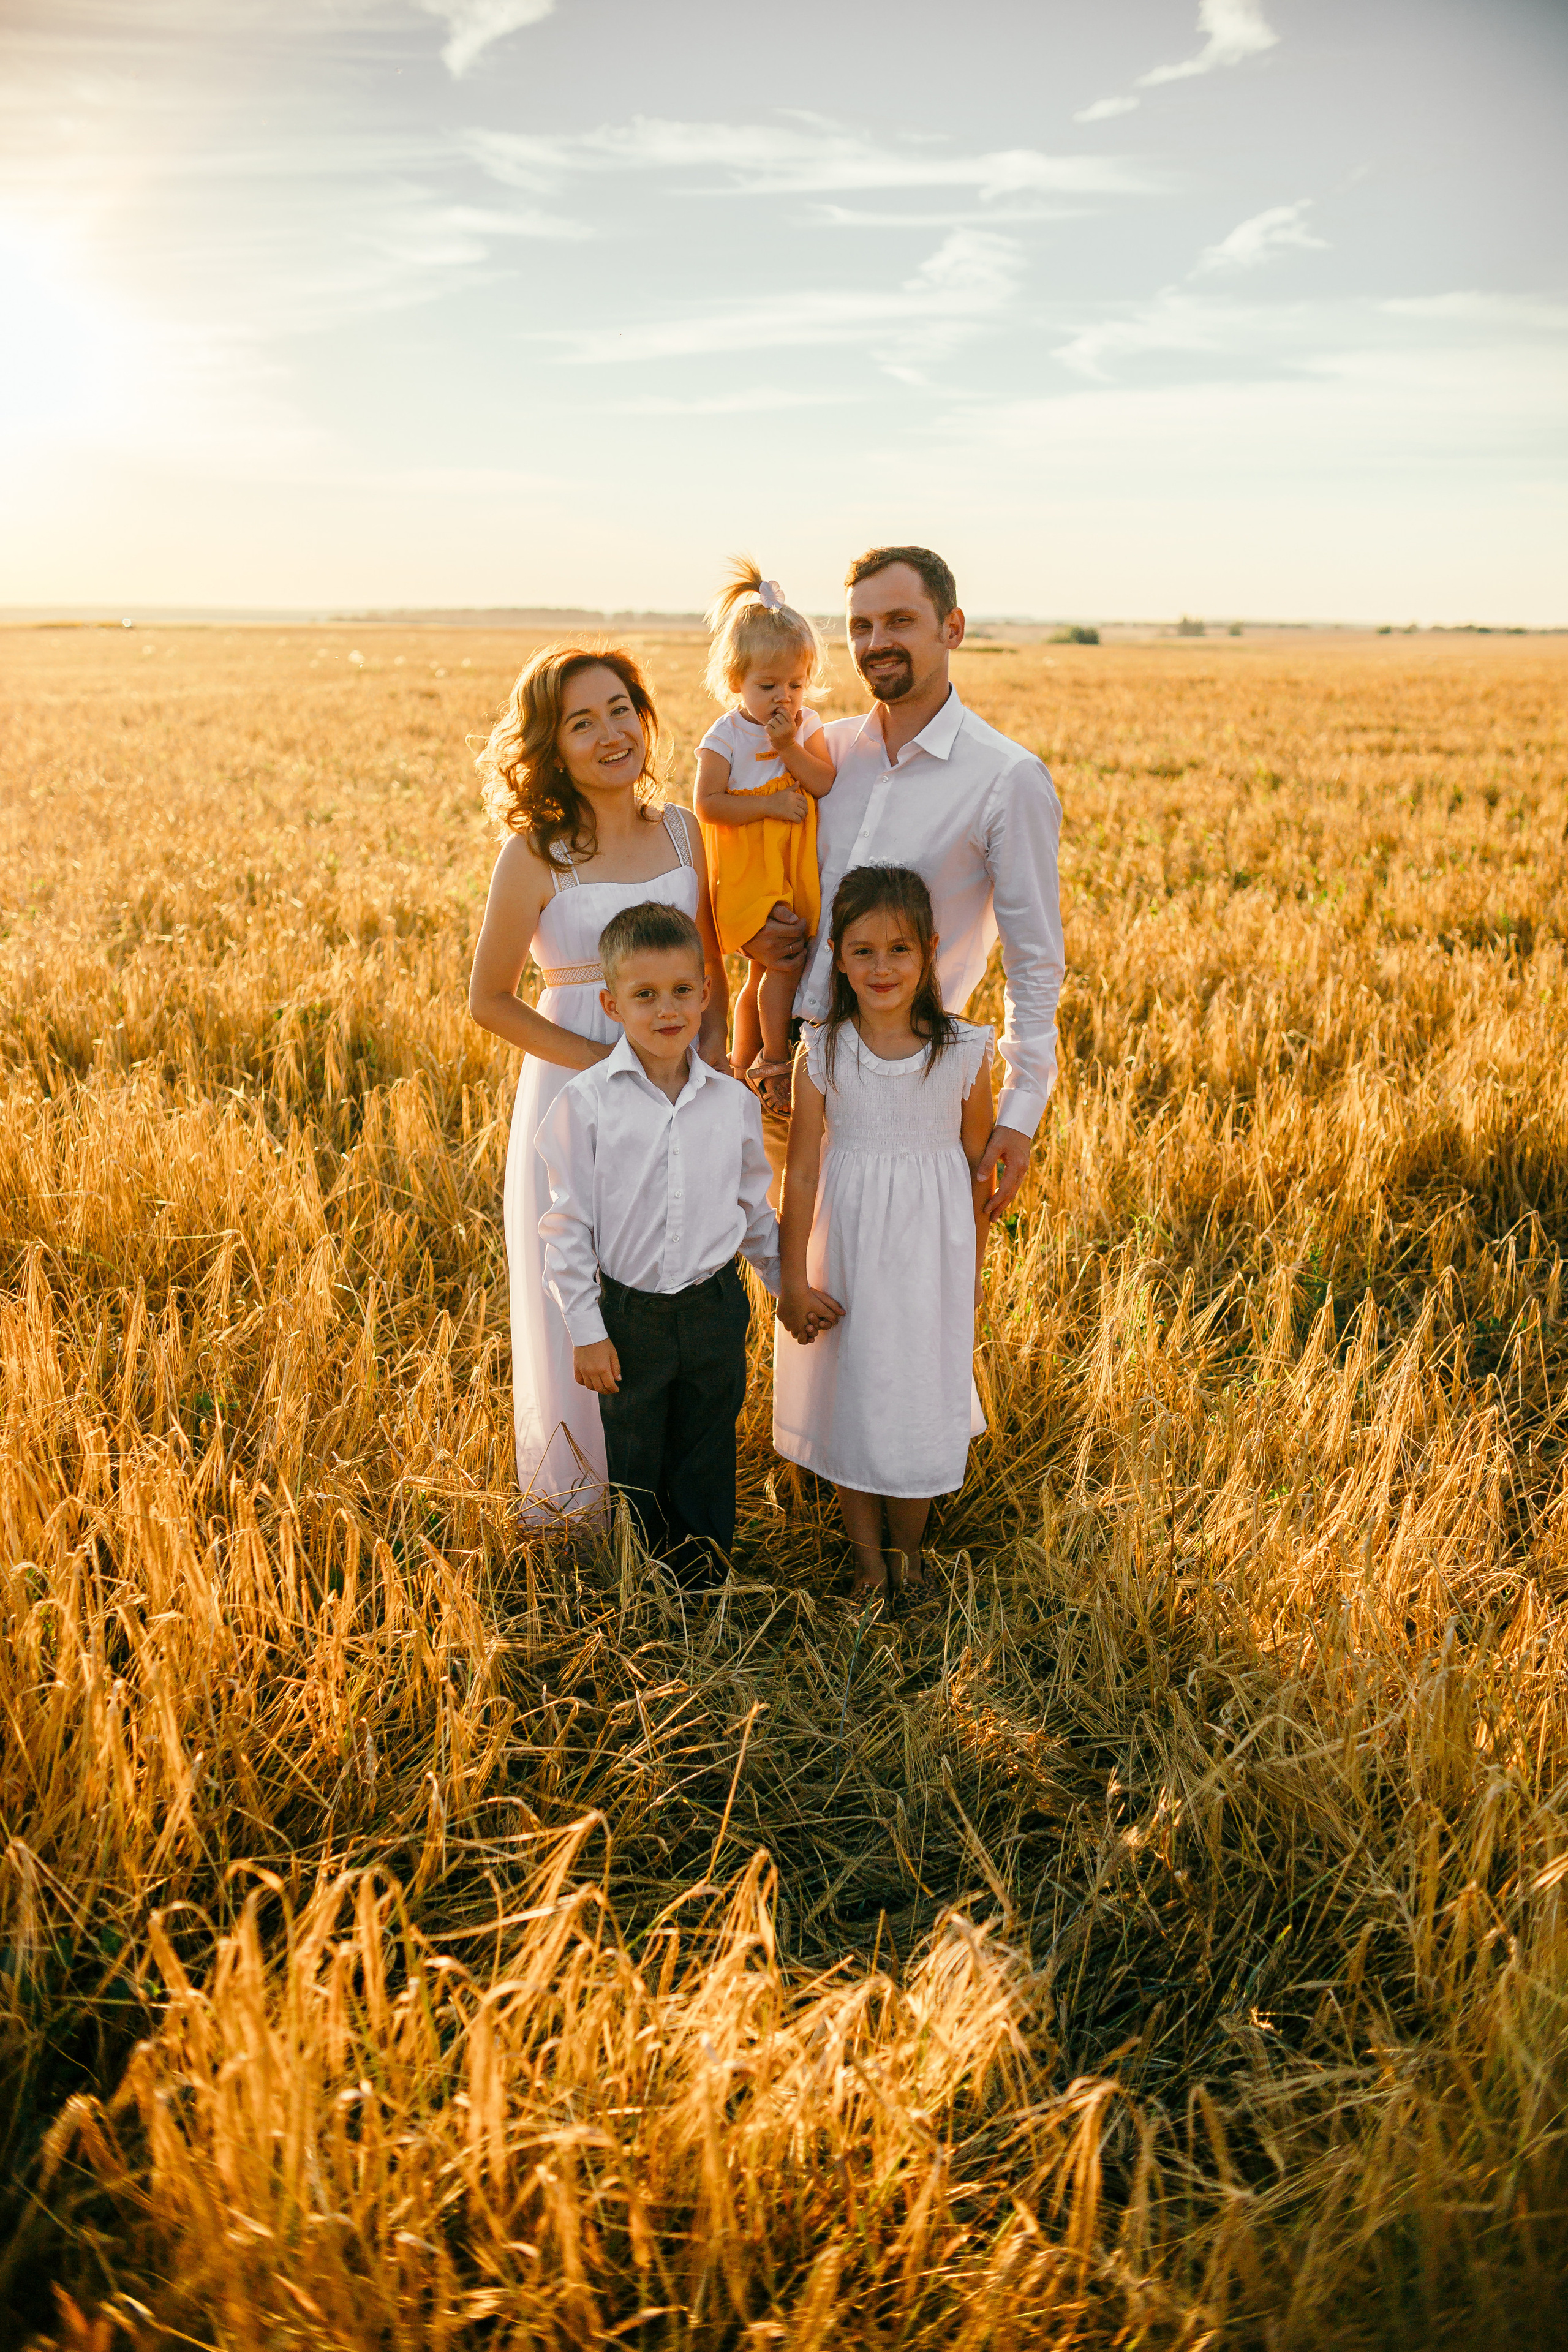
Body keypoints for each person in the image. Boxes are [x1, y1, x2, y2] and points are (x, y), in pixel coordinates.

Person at [468, 646, 728, 1519]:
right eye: (582, 721)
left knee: (673, 1277)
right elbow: (489, 1000)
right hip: (578, 1092)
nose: (610, 733)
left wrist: (709, 1066)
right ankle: (584, 1506)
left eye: (620, 709)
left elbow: (712, 967)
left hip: (680, 1082)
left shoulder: (684, 830)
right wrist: (613, 1070)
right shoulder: (535, 854)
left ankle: (671, 1508)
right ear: (553, 744)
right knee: (582, 1282)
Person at [742, 546, 1064, 1214]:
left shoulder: (1005, 778)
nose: (876, 643)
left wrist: (1020, 1109)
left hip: (907, 1081)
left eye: (899, 621)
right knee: (798, 1297)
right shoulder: (819, 751)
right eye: (861, 627)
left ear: (952, 628)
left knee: (900, 1294)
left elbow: (1035, 961)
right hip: (790, 1072)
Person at [535, 902, 836, 1586]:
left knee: (706, 1450)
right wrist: (587, 1329)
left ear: (705, 993)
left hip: (713, 1308)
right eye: (644, 995)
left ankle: (702, 1582)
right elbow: (567, 1227)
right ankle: (641, 1584)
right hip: (630, 1316)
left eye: (680, 990)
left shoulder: (730, 1104)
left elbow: (752, 1210)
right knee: (637, 1455)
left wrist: (782, 1286)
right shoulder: (585, 1105)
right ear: (611, 1004)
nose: (666, 1009)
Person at [774, 865, 995, 1605]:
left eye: (899, 949)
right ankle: (867, 1562)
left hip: (931, 1259)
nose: (881, 967)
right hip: (849, 1251)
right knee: (856, 1396)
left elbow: (974, 1173)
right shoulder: (825, 1051)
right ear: (836, 956)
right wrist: (794, 1280)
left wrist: (971, 1275)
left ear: (930, 951)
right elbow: (800, 1174)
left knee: (918, 1398)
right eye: (862, 951)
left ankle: (910, 1555)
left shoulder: (964, 1051)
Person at [693, 560, 836, 1114]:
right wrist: (771, 802)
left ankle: (738, 1065)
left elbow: (822, 781)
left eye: (796, 685)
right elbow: (708, 805)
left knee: (760, 974)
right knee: (783, 962)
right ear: (736, 683)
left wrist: (789, 749)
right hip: (750, 875)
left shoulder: (807, 726)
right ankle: (775, 1059)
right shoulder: (724, 735)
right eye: (768, 685)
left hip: (792, 867)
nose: (786, 698)